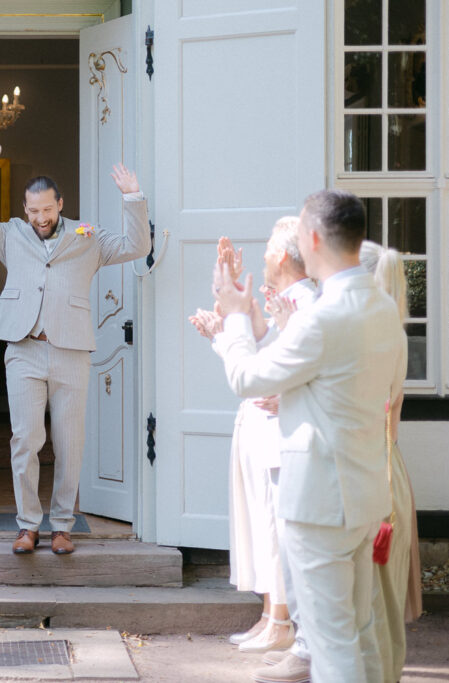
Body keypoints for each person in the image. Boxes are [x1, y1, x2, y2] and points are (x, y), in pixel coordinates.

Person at [212, 190, 405, 683]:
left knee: (332, 644)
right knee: (360, 632)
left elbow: (247, 379)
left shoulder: (321, 318)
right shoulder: (384, 310)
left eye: (299, 232)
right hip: (364, 495)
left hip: (321, 501)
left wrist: (234, 314)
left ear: (314, 238)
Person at [0, 128, 151, 554]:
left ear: (60, 205)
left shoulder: (88, 236)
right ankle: (28, 525)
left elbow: (137, 246)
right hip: (23, 349)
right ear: (25, 209)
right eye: (33, 210)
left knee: (69, 442)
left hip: (70, 351)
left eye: (47, 209)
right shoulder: (11, 234)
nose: (40, 217)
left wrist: (133, 198)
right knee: (25, 439)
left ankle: (62, 525)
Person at [189, 218, 316, 655]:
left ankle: (282, 621)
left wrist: (225, 335)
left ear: (282, 256)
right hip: (257, 419)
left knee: (274, 525)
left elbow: (277, 366)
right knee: (259, 524)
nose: (261, 256)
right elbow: (257, 343)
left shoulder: (306, 303)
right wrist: (222, 320)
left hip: (278, 428)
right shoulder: (284, 299)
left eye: (266, 249)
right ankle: (269, 615)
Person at [360, 240, 421, 683]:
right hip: (389, 467)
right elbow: (392, 424)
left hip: (371, 472)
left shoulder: (367, 335)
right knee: (383, 601)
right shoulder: (393, 332)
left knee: (370, 605)